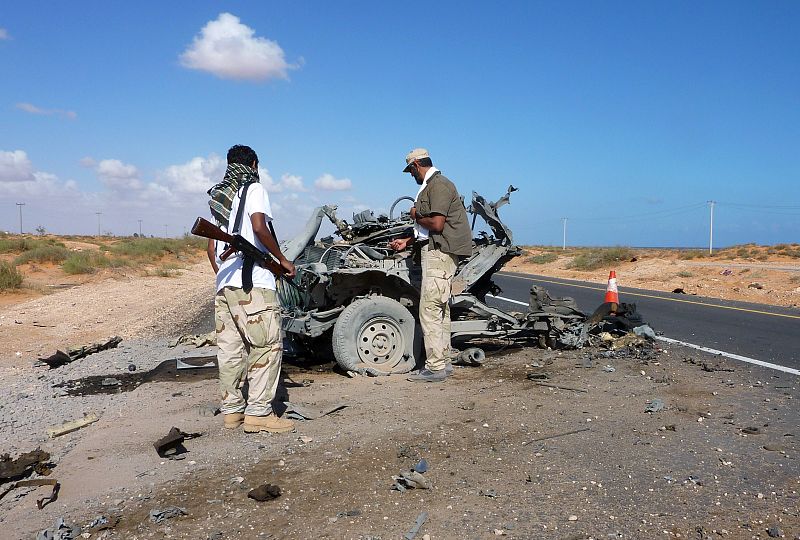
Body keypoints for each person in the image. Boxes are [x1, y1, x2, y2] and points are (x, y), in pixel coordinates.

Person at [205, 144, 297, 433]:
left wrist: (223, 275)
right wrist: (282, 260)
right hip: (252, 284)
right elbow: (259, 227)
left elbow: (211, 247)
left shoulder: (222, 196)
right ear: (255, 164)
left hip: (226, 286)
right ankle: (258, 413)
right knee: (267, 345)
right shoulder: (253, 189)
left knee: (230, 351)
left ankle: (232, 411)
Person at [389, 148, 473, 382]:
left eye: (410, 171)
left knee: (429, 310)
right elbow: (428, 231)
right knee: (439, 309)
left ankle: (435, 367)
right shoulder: (432, 185)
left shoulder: (439, 185)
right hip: (436, 251)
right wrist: (407, 240)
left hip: (439, 254)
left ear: (416, 165)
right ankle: (443, 362)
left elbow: (436, 224)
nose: (411, 176)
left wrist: (415, 214)